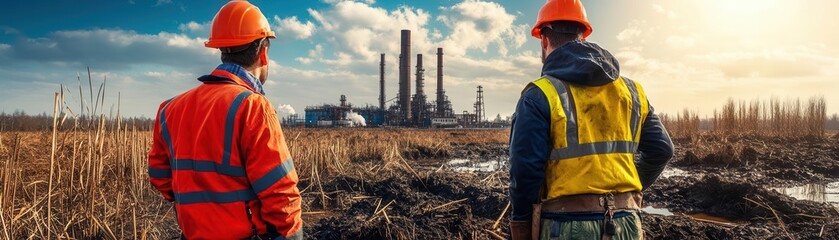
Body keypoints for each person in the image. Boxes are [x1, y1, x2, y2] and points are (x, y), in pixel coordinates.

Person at [508, 0, 674, 239]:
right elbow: (662, 150)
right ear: (582, 36)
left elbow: (525, 172)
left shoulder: (540, 94)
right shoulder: (631, 91)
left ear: (544, 39)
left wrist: (521, 226)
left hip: (565, 226)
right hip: (626, 224)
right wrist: (624, 194)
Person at [147, 1, 302, 239]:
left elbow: (159, 177)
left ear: (220, 50)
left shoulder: (169, 108)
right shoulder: (252, 107)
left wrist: (199, 208)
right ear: (263, 52)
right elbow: (280, 193)